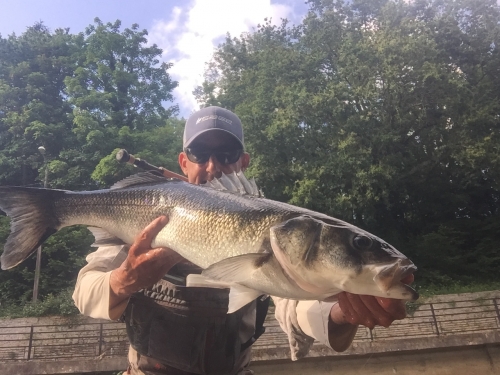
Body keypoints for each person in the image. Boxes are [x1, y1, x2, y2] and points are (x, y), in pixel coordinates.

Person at [73, 106, 413, 375]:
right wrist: (124, 280)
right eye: (199, 153)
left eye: (226, 154)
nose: (212, 166)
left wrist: (341, 313)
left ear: (243, 161)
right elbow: (84, 293)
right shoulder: (147, 210)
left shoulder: (279, 227)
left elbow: (294, 307)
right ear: (182, 160)